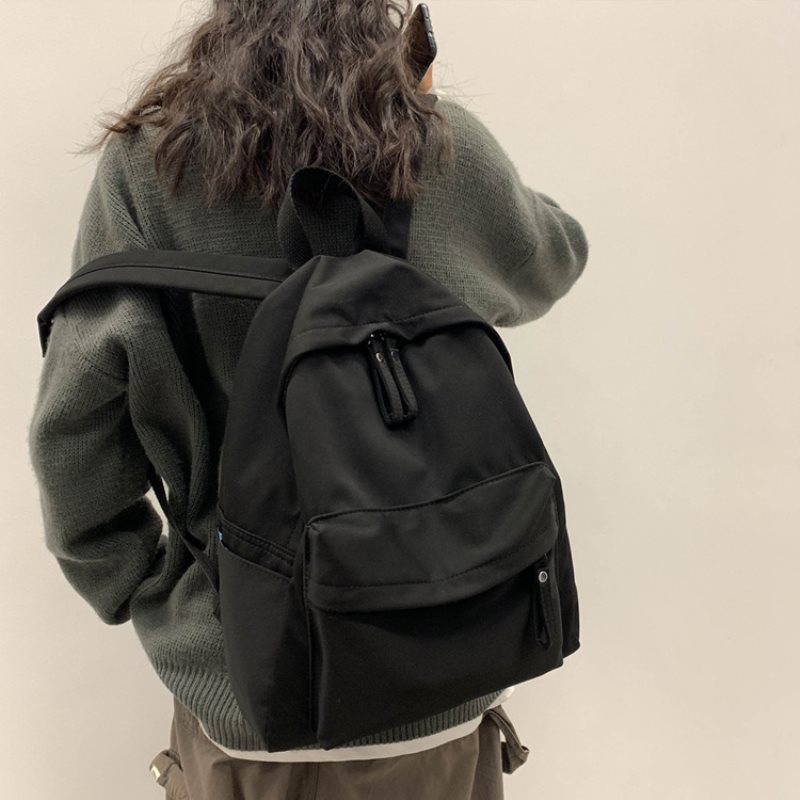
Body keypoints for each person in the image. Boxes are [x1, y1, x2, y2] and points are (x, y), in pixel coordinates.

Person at [28, 1, 589, 798]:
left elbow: (75, 427)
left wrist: (145, 589)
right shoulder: (436, 144)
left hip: (242, 688)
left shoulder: (148, 165)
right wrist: (428, 118)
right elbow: (554, 258)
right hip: (447, 667)